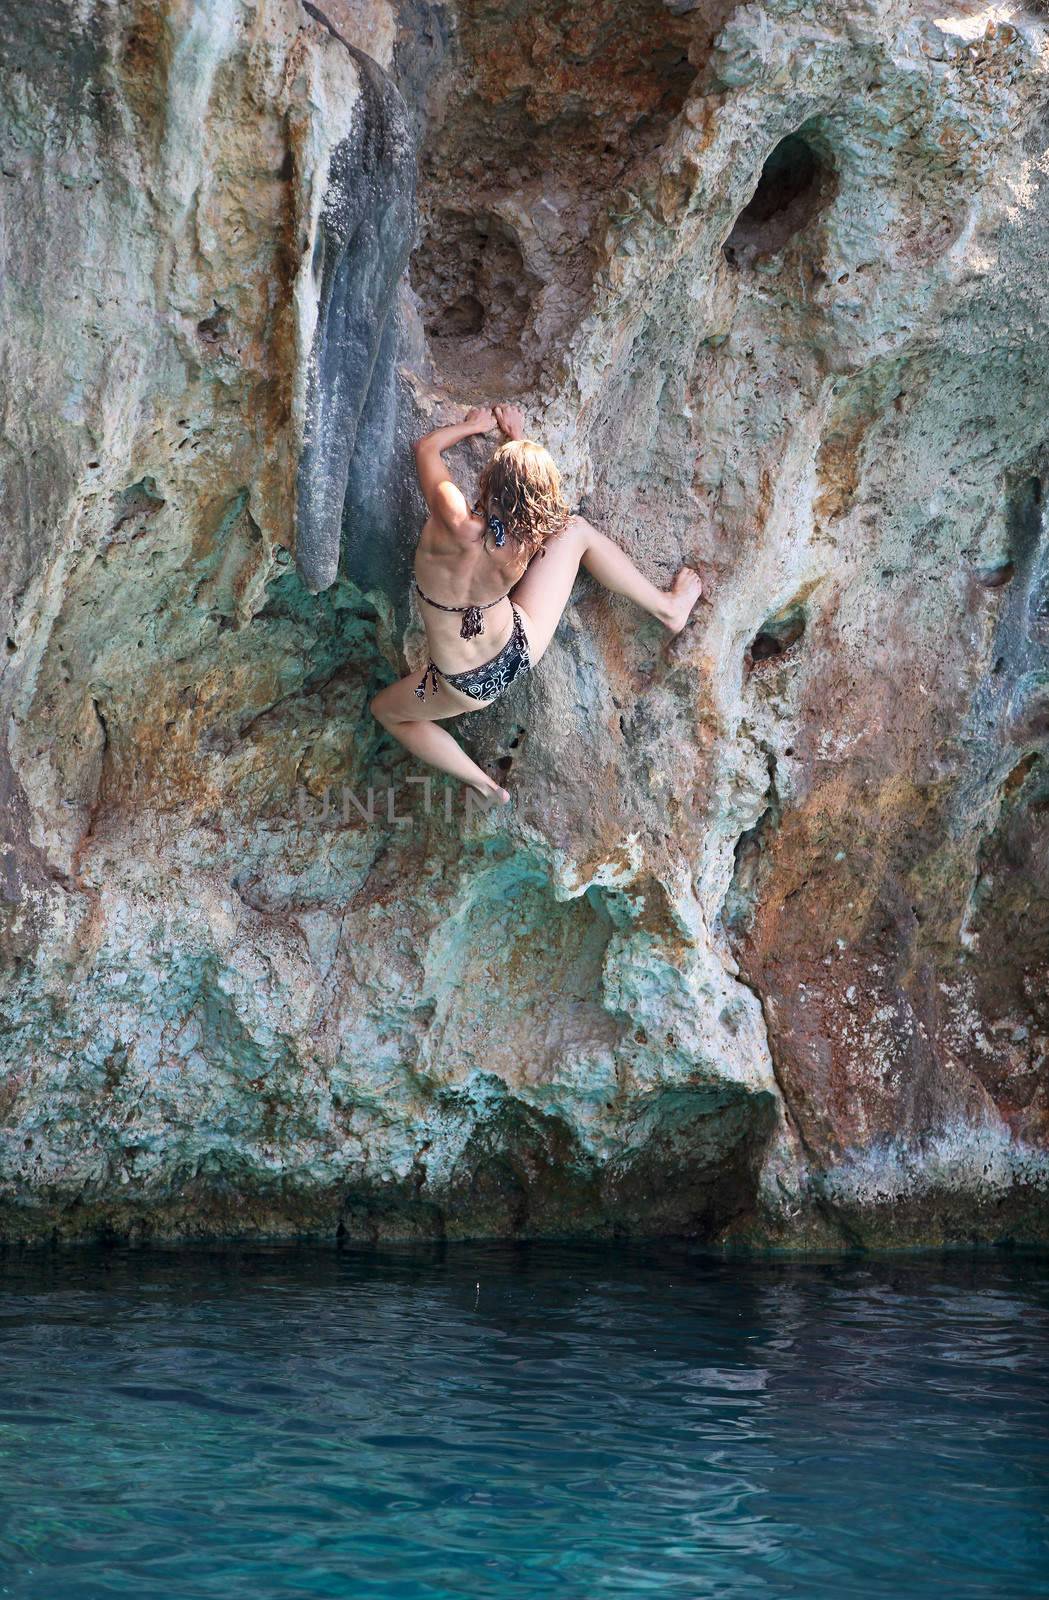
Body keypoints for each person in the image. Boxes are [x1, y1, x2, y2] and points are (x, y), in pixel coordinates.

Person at [369, 403, 703, 804]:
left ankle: (484, 784)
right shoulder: (522, 547)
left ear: (487, 479)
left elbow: (426, 449)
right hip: (517, 650)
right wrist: (518, 438)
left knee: (387, 710)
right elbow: (532, 509)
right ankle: (667, 607)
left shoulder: (455, 521)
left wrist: (471, 426)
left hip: (459, 687)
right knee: (576, 533)